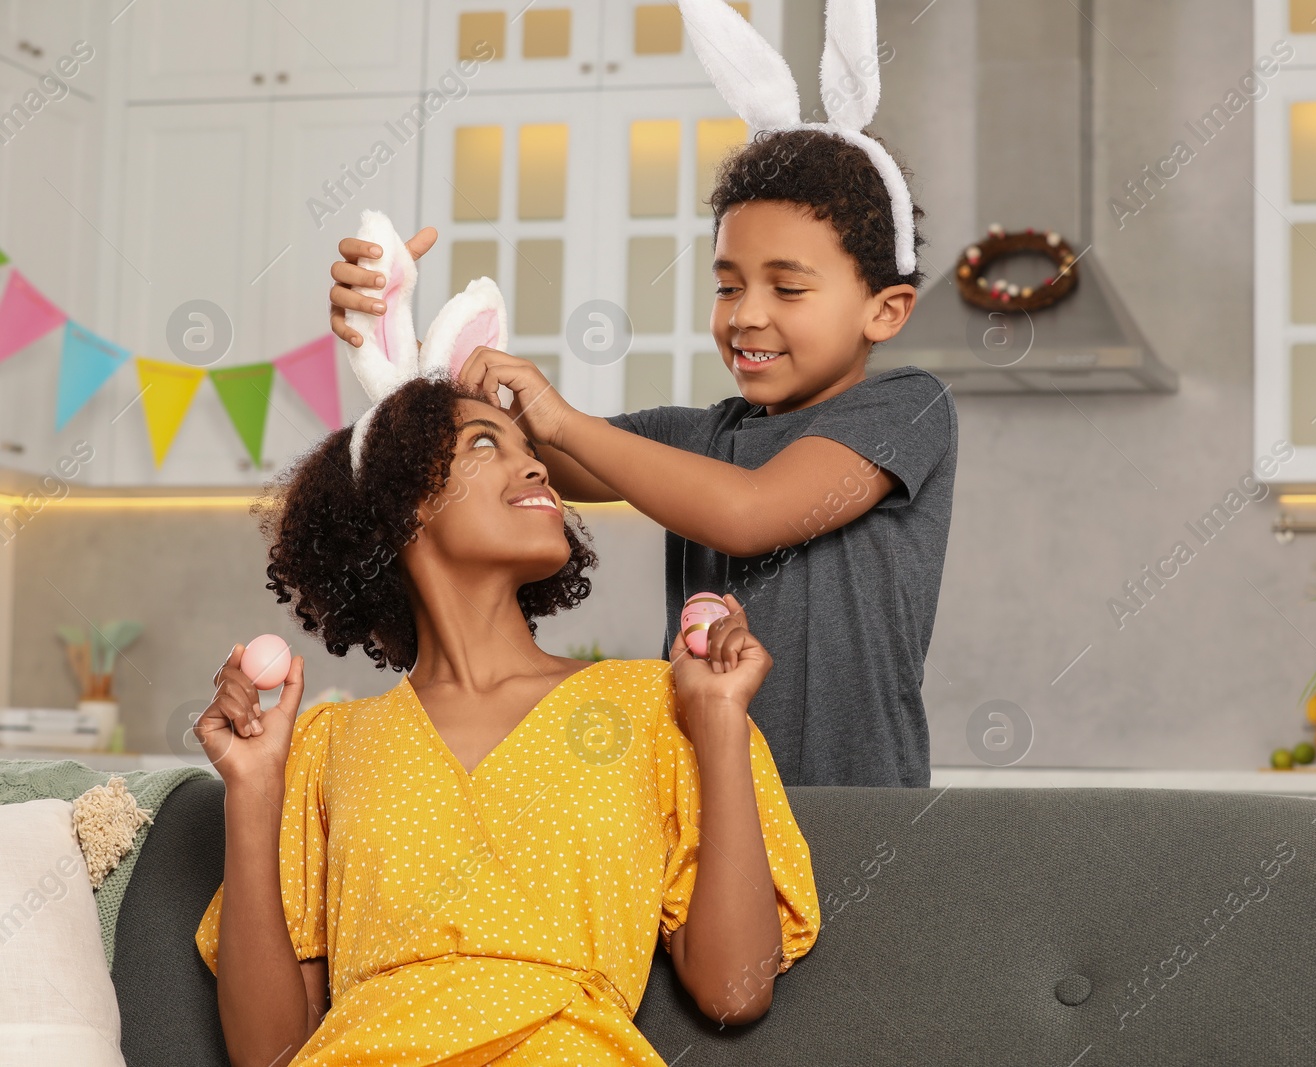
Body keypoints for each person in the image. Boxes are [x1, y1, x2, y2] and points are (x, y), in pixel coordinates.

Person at [191, 376, 819, 1067]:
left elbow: (735, 989)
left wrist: (721, 719)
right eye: (484, 443)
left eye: (532, 447)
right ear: (405, 503)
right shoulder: (324, 743)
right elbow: (268, 1055)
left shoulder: (661, 704)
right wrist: (251, 793)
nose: (537, 464)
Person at [327, 125, 956, 788]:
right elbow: (521, 450)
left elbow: (751, 511)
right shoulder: (698, 438)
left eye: (788, 289)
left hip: (854, 814)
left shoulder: (908, 407)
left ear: (886, 311)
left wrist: (563, 419)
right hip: (694, 815)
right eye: (728, 287)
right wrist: (394, 331)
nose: (745, 316)